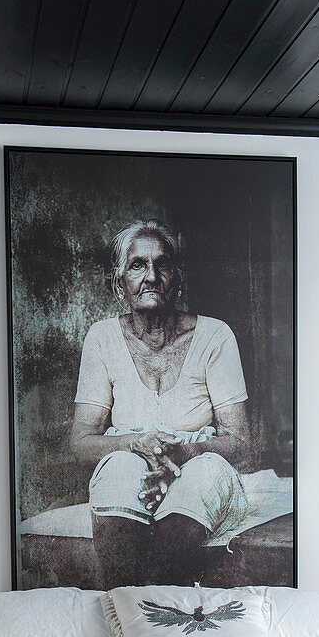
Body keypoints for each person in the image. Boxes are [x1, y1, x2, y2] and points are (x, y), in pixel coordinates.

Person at [70, 219, 252, 587]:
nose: (151, 276)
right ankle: (128, 618)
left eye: (162, 264)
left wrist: (184, 452)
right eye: (138, 265)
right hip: (133, 464)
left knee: (202, 475)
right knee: (119, 468)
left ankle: (166, 622)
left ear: (178, 279)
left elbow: (241, 441)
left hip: (200, 463)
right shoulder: (102, 338)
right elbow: (81, 442)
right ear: (118, 283)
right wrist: (134, 443)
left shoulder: (214, 335)